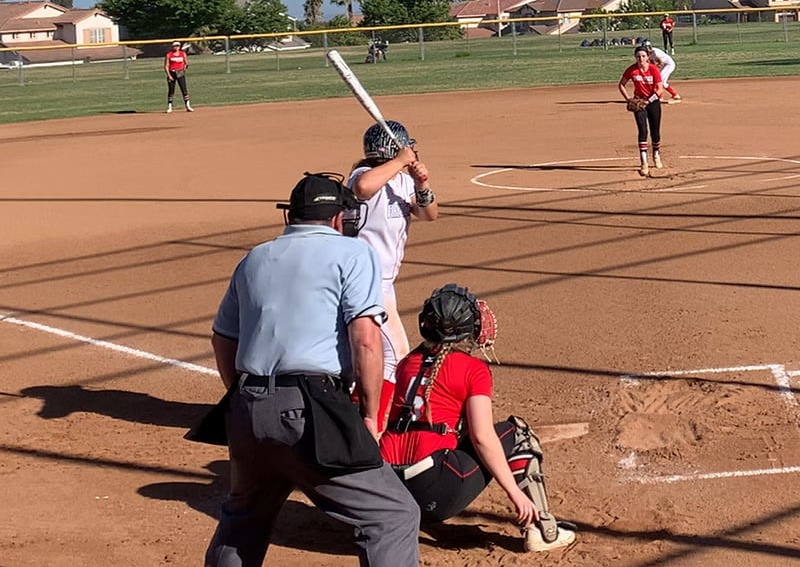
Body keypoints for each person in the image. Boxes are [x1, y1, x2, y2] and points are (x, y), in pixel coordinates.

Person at [205, 172, 422, 566]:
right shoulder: (354, 254)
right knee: (393, 515)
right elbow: (366, 340)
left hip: (247, 407)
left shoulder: (255, 258)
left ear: (291, 215)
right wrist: (370, 416)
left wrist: (248, 398)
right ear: (339, 218)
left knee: (244, 518)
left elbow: (223, 339)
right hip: (311, 410)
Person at [381, 283, 575, 552]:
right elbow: (482, 437)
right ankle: (542, 529)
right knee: (516, 432)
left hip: (388, 491)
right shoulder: (473, 368)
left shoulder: (406, 363)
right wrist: (514, 493)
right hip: (434, 490)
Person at [346, 120, 440, 366]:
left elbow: (429, 214)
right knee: (396, 353)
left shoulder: (403, 181)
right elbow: (363, 188)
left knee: (365, 350)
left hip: (384, 281)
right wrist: (400, 161)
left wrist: (422, 184)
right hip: (365, 278)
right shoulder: (361, 175)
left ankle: (360, 388)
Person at [619, 45, 668, 176]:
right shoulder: (632, 70)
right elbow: (621, 84)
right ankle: (644, 162)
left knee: (655, 131)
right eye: (638, 56)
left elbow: (659, 89)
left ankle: (656, 154)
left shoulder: (653, 69)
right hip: (639, 102)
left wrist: (649, 101)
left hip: (653, 102)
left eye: (643, 56)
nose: (641, 58)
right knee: (642, 130)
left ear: (647, 57)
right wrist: (628, 99)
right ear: (635, 57)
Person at [165, 43, 193, 113]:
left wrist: (184, 68)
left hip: (180, 72)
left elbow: (186, 63)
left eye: (178, 46)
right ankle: (170, 106)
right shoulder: (169, 55)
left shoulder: (182, 54)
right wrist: (169, 75)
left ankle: (188, 106)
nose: (176, 47)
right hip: (172, 72)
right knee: (171, 91)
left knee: (184, 89)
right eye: (175, 46)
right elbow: (166, 66)